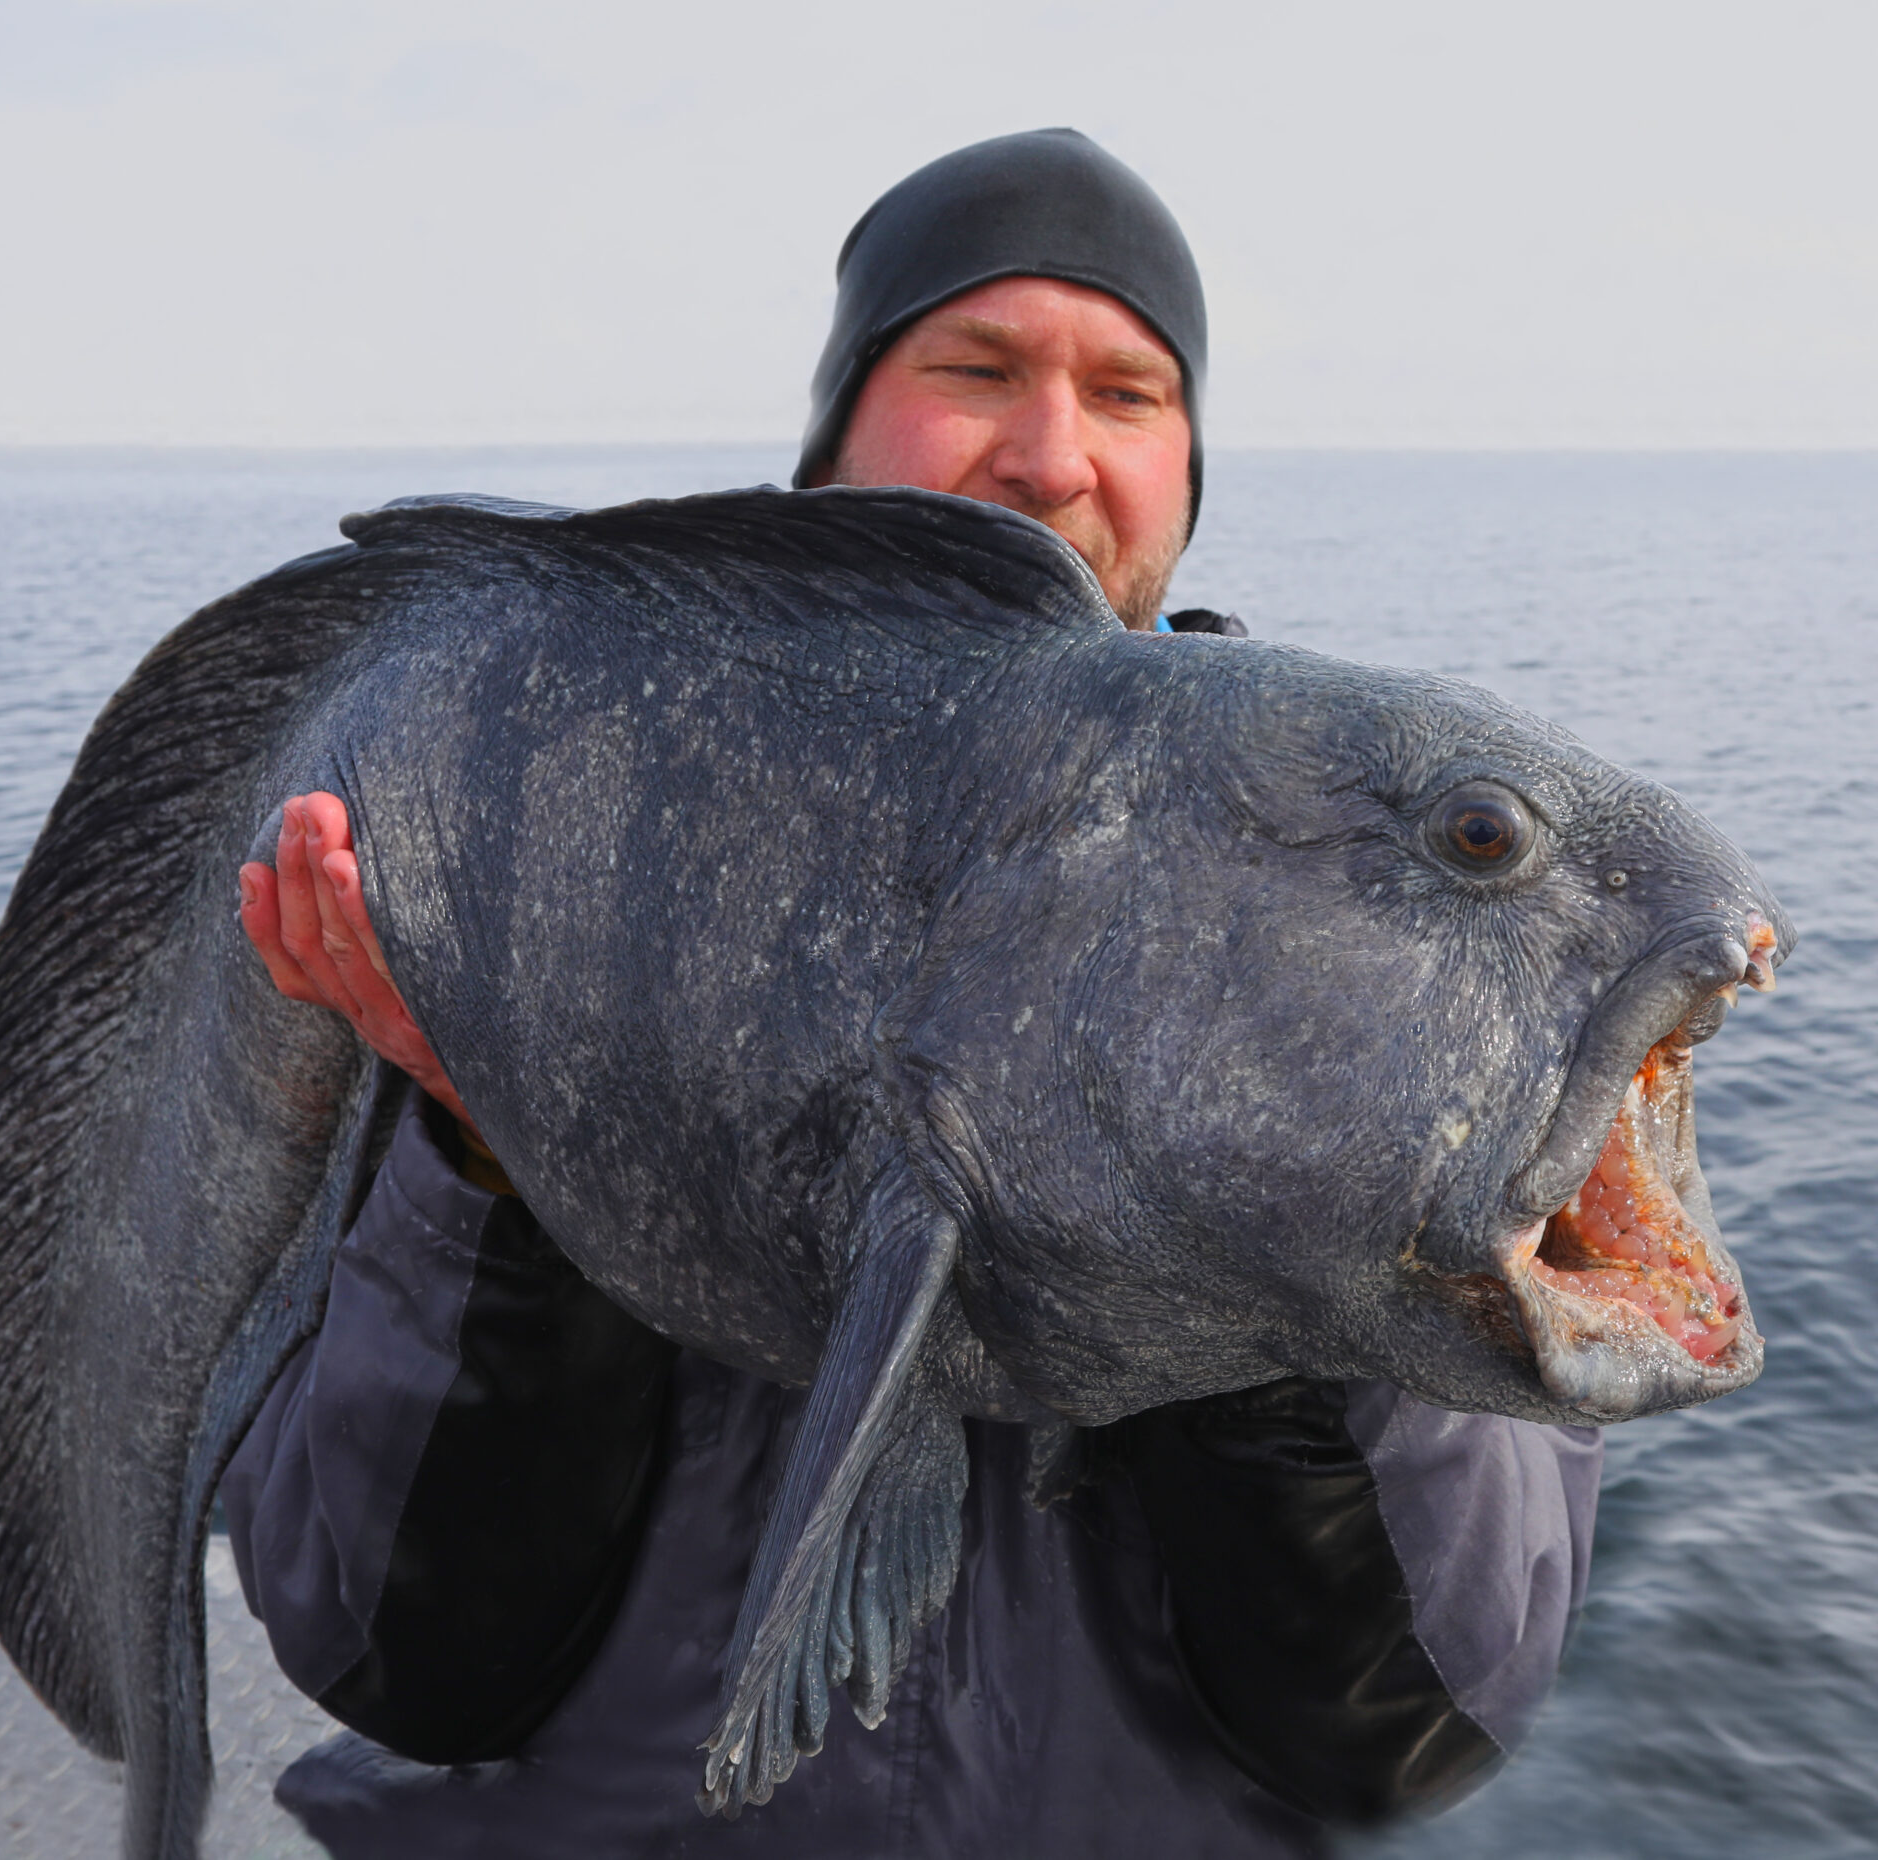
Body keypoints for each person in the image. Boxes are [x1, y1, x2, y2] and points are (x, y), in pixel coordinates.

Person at [221, 130, 1600, 1859]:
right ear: (830, 449)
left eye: (1130, 393)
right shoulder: (536, 850)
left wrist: (1287, 1242)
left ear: (1186, 470)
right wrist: (490, 1145)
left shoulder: (1384, 939)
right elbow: (392, 1655)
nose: (1053, 454)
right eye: (973, 370)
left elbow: (1406, 1738)